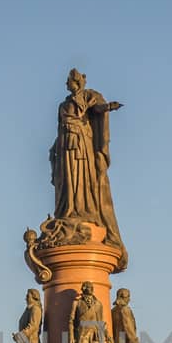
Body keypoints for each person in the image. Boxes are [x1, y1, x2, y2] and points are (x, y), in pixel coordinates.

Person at [48, 69, 126, 252]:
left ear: (77, 83)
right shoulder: (63, 105)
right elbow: (60, 127)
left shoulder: (88, 97)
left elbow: (97, 109)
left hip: (82, 142)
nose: (67, 84)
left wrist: (107, 107)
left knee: (81, 176)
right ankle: (69, 210)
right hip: (65, 144)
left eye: (69, 81)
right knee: (68, 178)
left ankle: (83, 209)